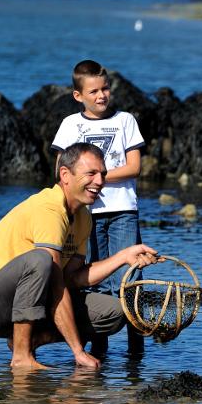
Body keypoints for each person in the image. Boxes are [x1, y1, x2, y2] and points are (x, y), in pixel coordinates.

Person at [0, 142, 159, 370]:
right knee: (40, 260)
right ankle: (22, 357)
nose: (100, 181)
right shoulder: (49, 210)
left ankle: (30, 340)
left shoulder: (84, 216)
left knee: (115, 311)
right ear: (65, 174)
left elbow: (72, 278)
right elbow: (56, 282)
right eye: (91, 174)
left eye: (103, 174)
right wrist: (78, 351)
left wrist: (124, 256)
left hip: (34, 300)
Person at [51, 59, 147, 351]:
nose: (101, 95)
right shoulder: (71, 125)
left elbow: (133, 167)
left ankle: (136, 348)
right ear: (78, 95)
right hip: (85, 214)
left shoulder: (125, 120)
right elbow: (60, 171)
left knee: (129, 278)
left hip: (122, 212)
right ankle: (98, 345)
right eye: (93, 91)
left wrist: (95, 178)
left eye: (105, 88)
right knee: (92, 279)